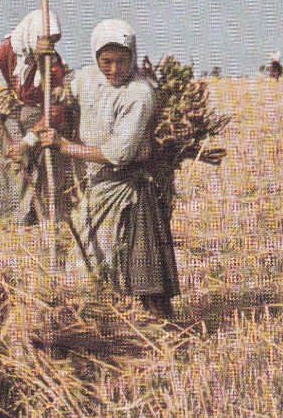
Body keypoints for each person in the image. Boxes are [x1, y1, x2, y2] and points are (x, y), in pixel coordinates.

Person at [30, 19, 180, 320]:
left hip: (130, 188)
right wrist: (44, 59)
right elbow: (52, 94)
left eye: (121, 61)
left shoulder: (140, 94)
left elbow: (118, 154)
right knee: (89, 261)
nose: (113, 69)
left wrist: (64, 146)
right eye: (106, 61)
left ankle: (165, 335)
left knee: (143, 269)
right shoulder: (87, 79)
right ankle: (105, 322)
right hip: (97, 185)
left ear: (133, 58)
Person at [0, 10, 76, 226]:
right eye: (46, 39)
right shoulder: (10, 47)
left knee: (34, 163)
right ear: (33, 35)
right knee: (5, 157)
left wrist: (29, 141)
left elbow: (55, 110)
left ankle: (24, 216)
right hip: (17, 113)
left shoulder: (52, 64)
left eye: (53, 41)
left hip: (43, 119)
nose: (49, 45)